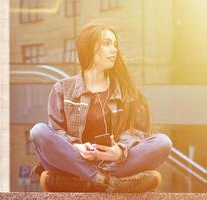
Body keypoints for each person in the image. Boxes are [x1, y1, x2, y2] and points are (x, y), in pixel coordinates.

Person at [29, 19, 172, 193]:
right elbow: (56, 132)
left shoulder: (126, 91)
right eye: (107, 43)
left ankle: (91, 180)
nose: (114, 50)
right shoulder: (62, 89)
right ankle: (110, 182)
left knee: (163, 142)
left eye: (115, 44)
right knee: (38, 131)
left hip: (114, 163)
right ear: (89, 47)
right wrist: (77, 147)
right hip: (74, 162)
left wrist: (119, 151)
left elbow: (136, 132)